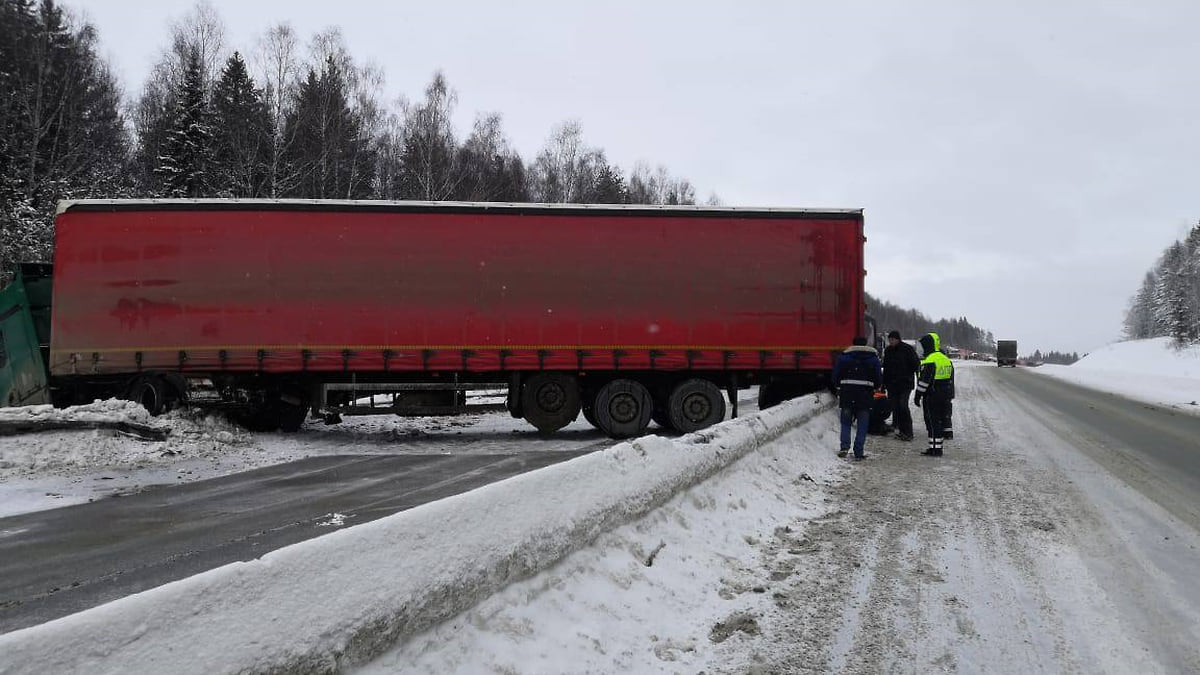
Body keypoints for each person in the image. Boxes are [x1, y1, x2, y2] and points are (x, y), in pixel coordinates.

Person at [832, 336, 883, 460]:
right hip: (865, 394)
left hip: (847, 393)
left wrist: (839, 385)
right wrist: (875, 386)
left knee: (845, 422)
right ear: (866, 344)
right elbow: (878, 378)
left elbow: (835, 375)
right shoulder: (873, 359)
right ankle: (858, 451)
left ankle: (844, 447)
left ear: (853, 344)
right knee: (862, 424)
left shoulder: (844, 358)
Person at [914, 332, 954, 457]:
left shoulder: (930, 360)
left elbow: (924, 381)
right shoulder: (945, 359)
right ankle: (937, 447)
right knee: (940, 421)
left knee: (932, 422)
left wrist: (918, 395)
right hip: (944, 394)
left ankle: (935, 449)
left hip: (932, 395)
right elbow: (951, 379)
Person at [881, 329, 920, 441]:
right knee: (895, 406)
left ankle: (908, 431)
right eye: (890, 340)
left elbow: (916, 364)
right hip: (892, 384)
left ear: (898, 339)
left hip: (905, 384)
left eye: (893, 339)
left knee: (903, 406)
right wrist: (884, 383)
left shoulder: (907, 349)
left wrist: (908, 374)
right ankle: (900, 428)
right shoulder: (888, 351)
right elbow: (886, 368)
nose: (891, 341)